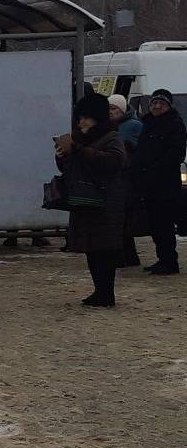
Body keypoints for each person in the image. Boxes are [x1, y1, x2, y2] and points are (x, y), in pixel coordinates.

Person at [56, 92, 128, 307]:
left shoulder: (112, 137)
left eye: (86, 117)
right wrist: (63, 156)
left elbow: (115, 161)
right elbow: (71, 168)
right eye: (80, 117)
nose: (82, 121)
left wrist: (80, 151)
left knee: (105, 249)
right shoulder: (79, 137)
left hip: (106, 199)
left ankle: (106, 293)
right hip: (85, 198)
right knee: (91, 248)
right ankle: (100, 291)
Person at [134, 88, 186, 276]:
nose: (157, 106)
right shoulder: (147, 123)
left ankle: (169, 261)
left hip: (165, 184)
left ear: (168, 106)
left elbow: (175, 154)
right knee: (154, 224)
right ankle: (162, 258)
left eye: (161, 103)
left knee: (164, 224)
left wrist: (154, 168)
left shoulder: (175, 124)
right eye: (154, 103)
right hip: (148, 184)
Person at [109, 94, 144, 267]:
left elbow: (134, 149)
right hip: (119, 178)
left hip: (128, 178)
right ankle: (126, 255)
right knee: (121, 219)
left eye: (114, 108)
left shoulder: (133, 125)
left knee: (124, 219)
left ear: (122, 109)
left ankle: (126, 256)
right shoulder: (114, 126)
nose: (111, 112)